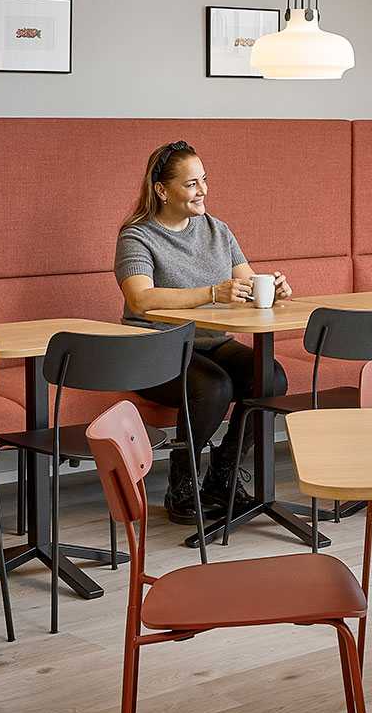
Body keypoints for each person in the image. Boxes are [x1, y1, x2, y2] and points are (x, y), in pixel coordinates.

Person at [114, 140, 291, 524]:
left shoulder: (217, 230)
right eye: (192, 184)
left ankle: (222, 476)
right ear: (162, 190)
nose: (203, 190)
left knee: (271, 378)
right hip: (153, 350)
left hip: (211, 342)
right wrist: (212, 293)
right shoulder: (137, 236)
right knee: (213, 386)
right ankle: (181, 484)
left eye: (204, 180)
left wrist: (272, 288)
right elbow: (140, 298)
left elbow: (245, 284)